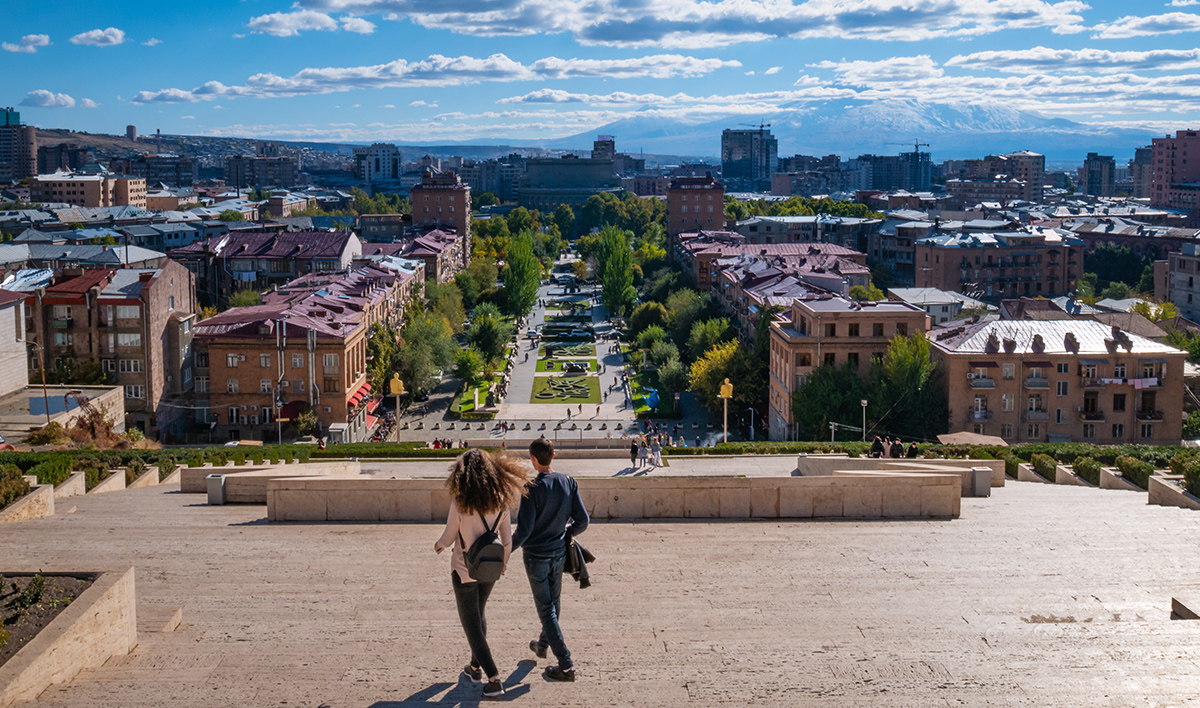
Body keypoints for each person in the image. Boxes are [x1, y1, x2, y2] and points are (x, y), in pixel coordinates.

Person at [434, 449, 530, 698]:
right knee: (479, 613)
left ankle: (494, 678)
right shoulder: (501, 500)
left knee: (471, 625)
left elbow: (449, 534)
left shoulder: (461, 500)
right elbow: (507, 541)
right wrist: (503, 565)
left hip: (464, 568)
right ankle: (474, 667)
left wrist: (439, 546)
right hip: (490, 568)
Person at [513, 438, 589, 682]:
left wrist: (503, 552)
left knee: (547, 610)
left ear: (533, 460)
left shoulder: (531, 488)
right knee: (553, 605)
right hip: (559, 552)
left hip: (536, 556)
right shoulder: (568, 482)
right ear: (553, 456)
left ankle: (566, 665)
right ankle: (543, 645)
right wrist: (566, 534)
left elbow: (523, 533)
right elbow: (583, 521)